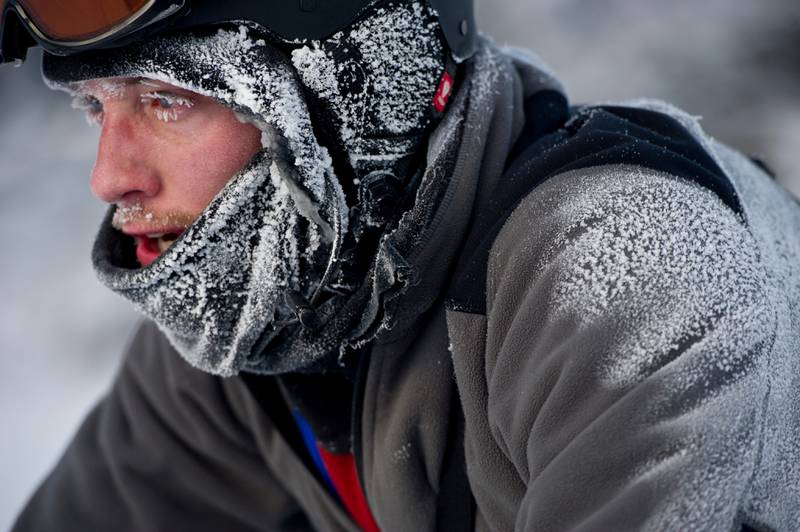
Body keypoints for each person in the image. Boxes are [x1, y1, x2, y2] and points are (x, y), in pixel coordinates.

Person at [4, 0, 800, 530]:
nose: (110, 179)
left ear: (352, 94)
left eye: (169, 101)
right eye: (97, 107)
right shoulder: (261, 320)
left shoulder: (623, 272)